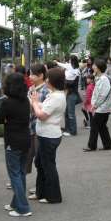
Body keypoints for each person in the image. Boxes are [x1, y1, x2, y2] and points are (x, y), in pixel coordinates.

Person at [0, 72, 32, 217]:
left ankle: (23, 208)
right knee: (21, 173)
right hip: (26, 140)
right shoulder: (26, 100)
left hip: (12, 141)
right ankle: (15, 203)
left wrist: (7, 120)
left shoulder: (7, 102)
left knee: (15, 175)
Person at [29, 67, 66, 203]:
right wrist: (34, 101)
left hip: (49, 136)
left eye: (48, 78)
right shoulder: (54, 94)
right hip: (46, 135)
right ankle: (41, 192)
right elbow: (43, 107)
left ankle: (53, 196)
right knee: (40, 163)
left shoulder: (56, 97)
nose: (46, 80)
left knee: (48, 166)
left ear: (53, 81)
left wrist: (34, 103)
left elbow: (42, 115)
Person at [83, 58, 111, 152]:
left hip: (102, 107)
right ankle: (107, 145)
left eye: (94, 65)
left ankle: (92, 146)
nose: (93, 67)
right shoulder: (101, 78)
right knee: (102, 126)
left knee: (94, 125)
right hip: (103, 106)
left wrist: (95, 105)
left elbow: (103, 95)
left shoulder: (103, 79)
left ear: (98, 68)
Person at [27, 63, 49, 178]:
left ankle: (42, 183)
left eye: (32, 74)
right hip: (30, 126)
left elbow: (45, 109)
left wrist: (32, 102)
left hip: (40, 127)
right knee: (27, 155)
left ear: (40, 76)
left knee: (39, 157)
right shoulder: (31, 88)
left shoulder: (46, 90)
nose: (29, 77)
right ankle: (19, 179)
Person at [56, 55, 81, 136]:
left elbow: (70, 83)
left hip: (71, 94)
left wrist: (65, 81)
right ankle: (67, 129)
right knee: (66, 112)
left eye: (70, 60)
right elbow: (63, 65)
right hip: (68, 94)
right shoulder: (70, 67)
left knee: (70, 113)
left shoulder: (75, 71)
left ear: (72, 61)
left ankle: (73, 131)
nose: (68, 61)